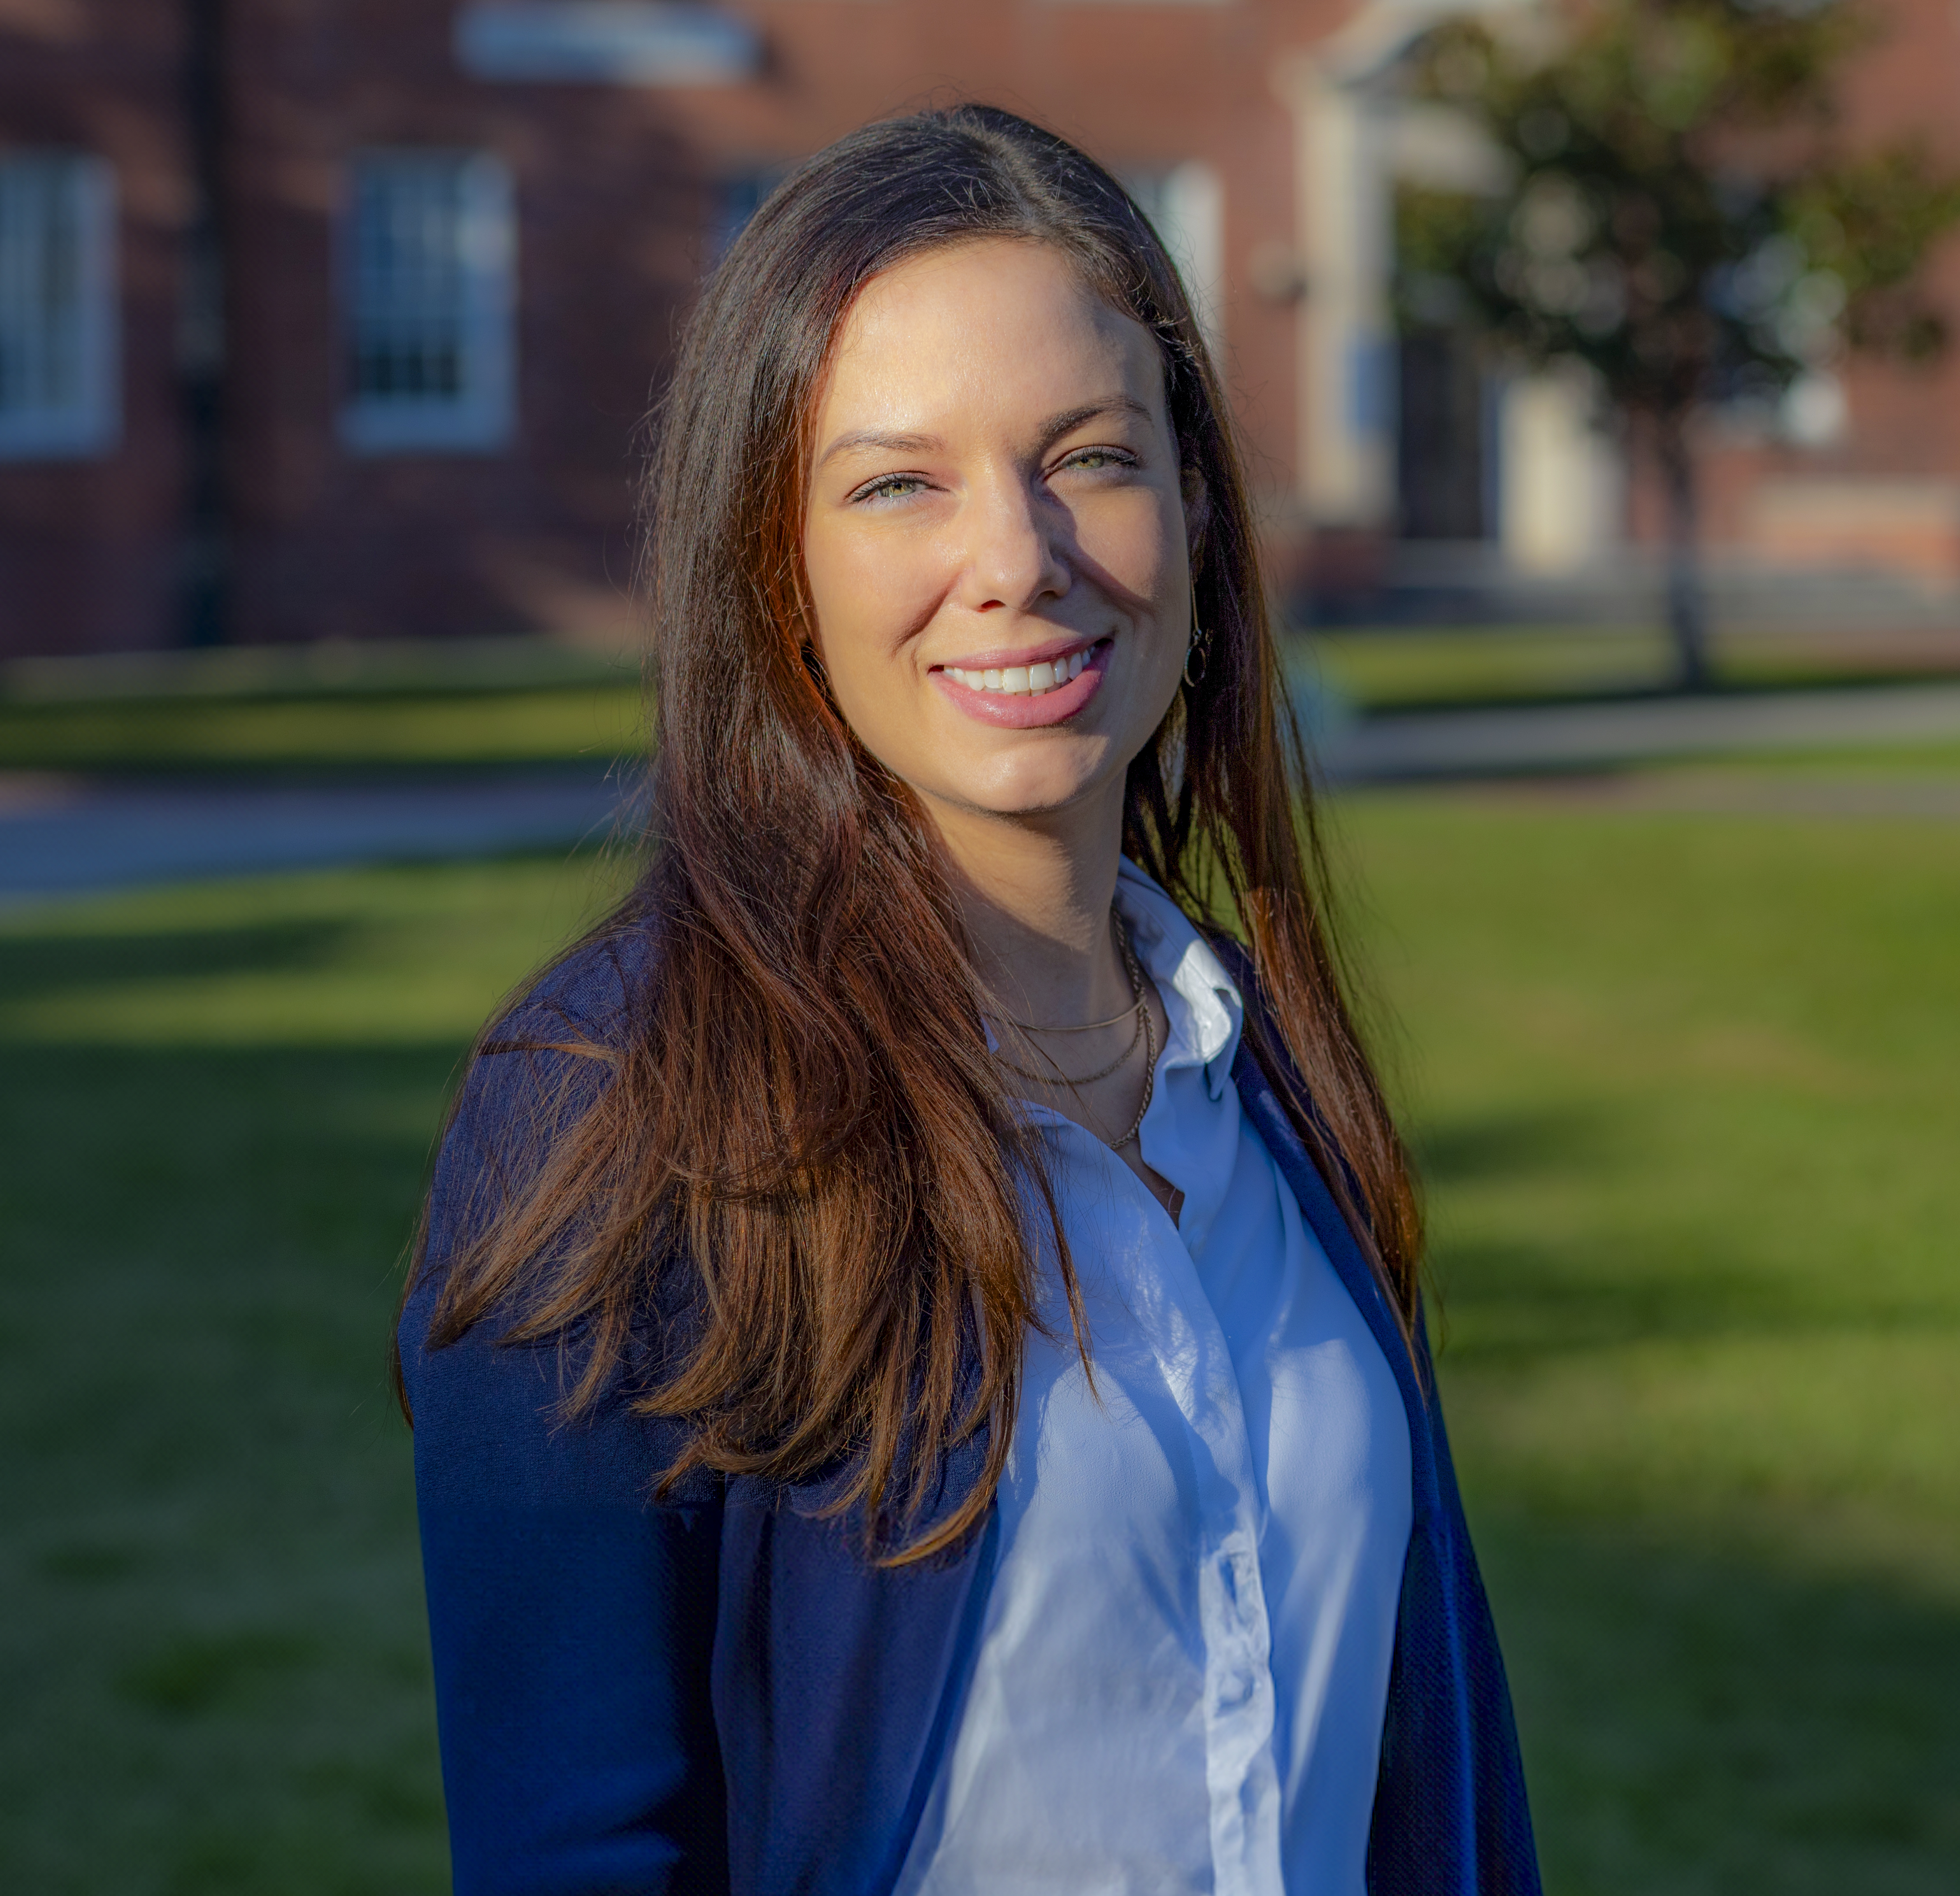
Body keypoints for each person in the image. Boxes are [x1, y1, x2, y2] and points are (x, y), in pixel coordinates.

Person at [396, 105, 1541, 1896]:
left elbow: (1429, 1770)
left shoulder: (1252, 1067)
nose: (1016, 556)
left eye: (1089, 458)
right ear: (778, 568)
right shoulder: (614, 1114)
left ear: (1193, 512)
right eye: (897, 483)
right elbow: (575, 1844)